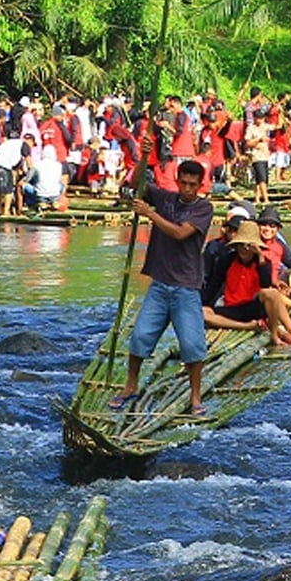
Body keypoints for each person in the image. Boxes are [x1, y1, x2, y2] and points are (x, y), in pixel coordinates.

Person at [112, 157, 213, 415]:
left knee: (192, 344)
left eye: (193, 184)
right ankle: (131, 385)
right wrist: (140, 159)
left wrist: (150, 213)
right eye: (184, 183)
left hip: (186, 286)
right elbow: (136, 184)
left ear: (200, 185)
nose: (188, 188)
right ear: (177, 181)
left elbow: (180, 233)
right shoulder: (165, 197)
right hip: (160, 284)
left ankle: (195, 397)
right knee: (140, 337)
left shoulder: (204, 209)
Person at [201, 219, 291, 346]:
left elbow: (265, 284)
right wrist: (203, 303)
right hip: (233, 307)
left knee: (271, 293)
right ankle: (247, 326)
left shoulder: (264, 262)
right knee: (203, 313)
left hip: (254, 307)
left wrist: (260, 257)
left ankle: (279, 334)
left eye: (248, 245)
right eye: (241, 244)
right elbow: (214, 285)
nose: (244, 249)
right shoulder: (226, 260)